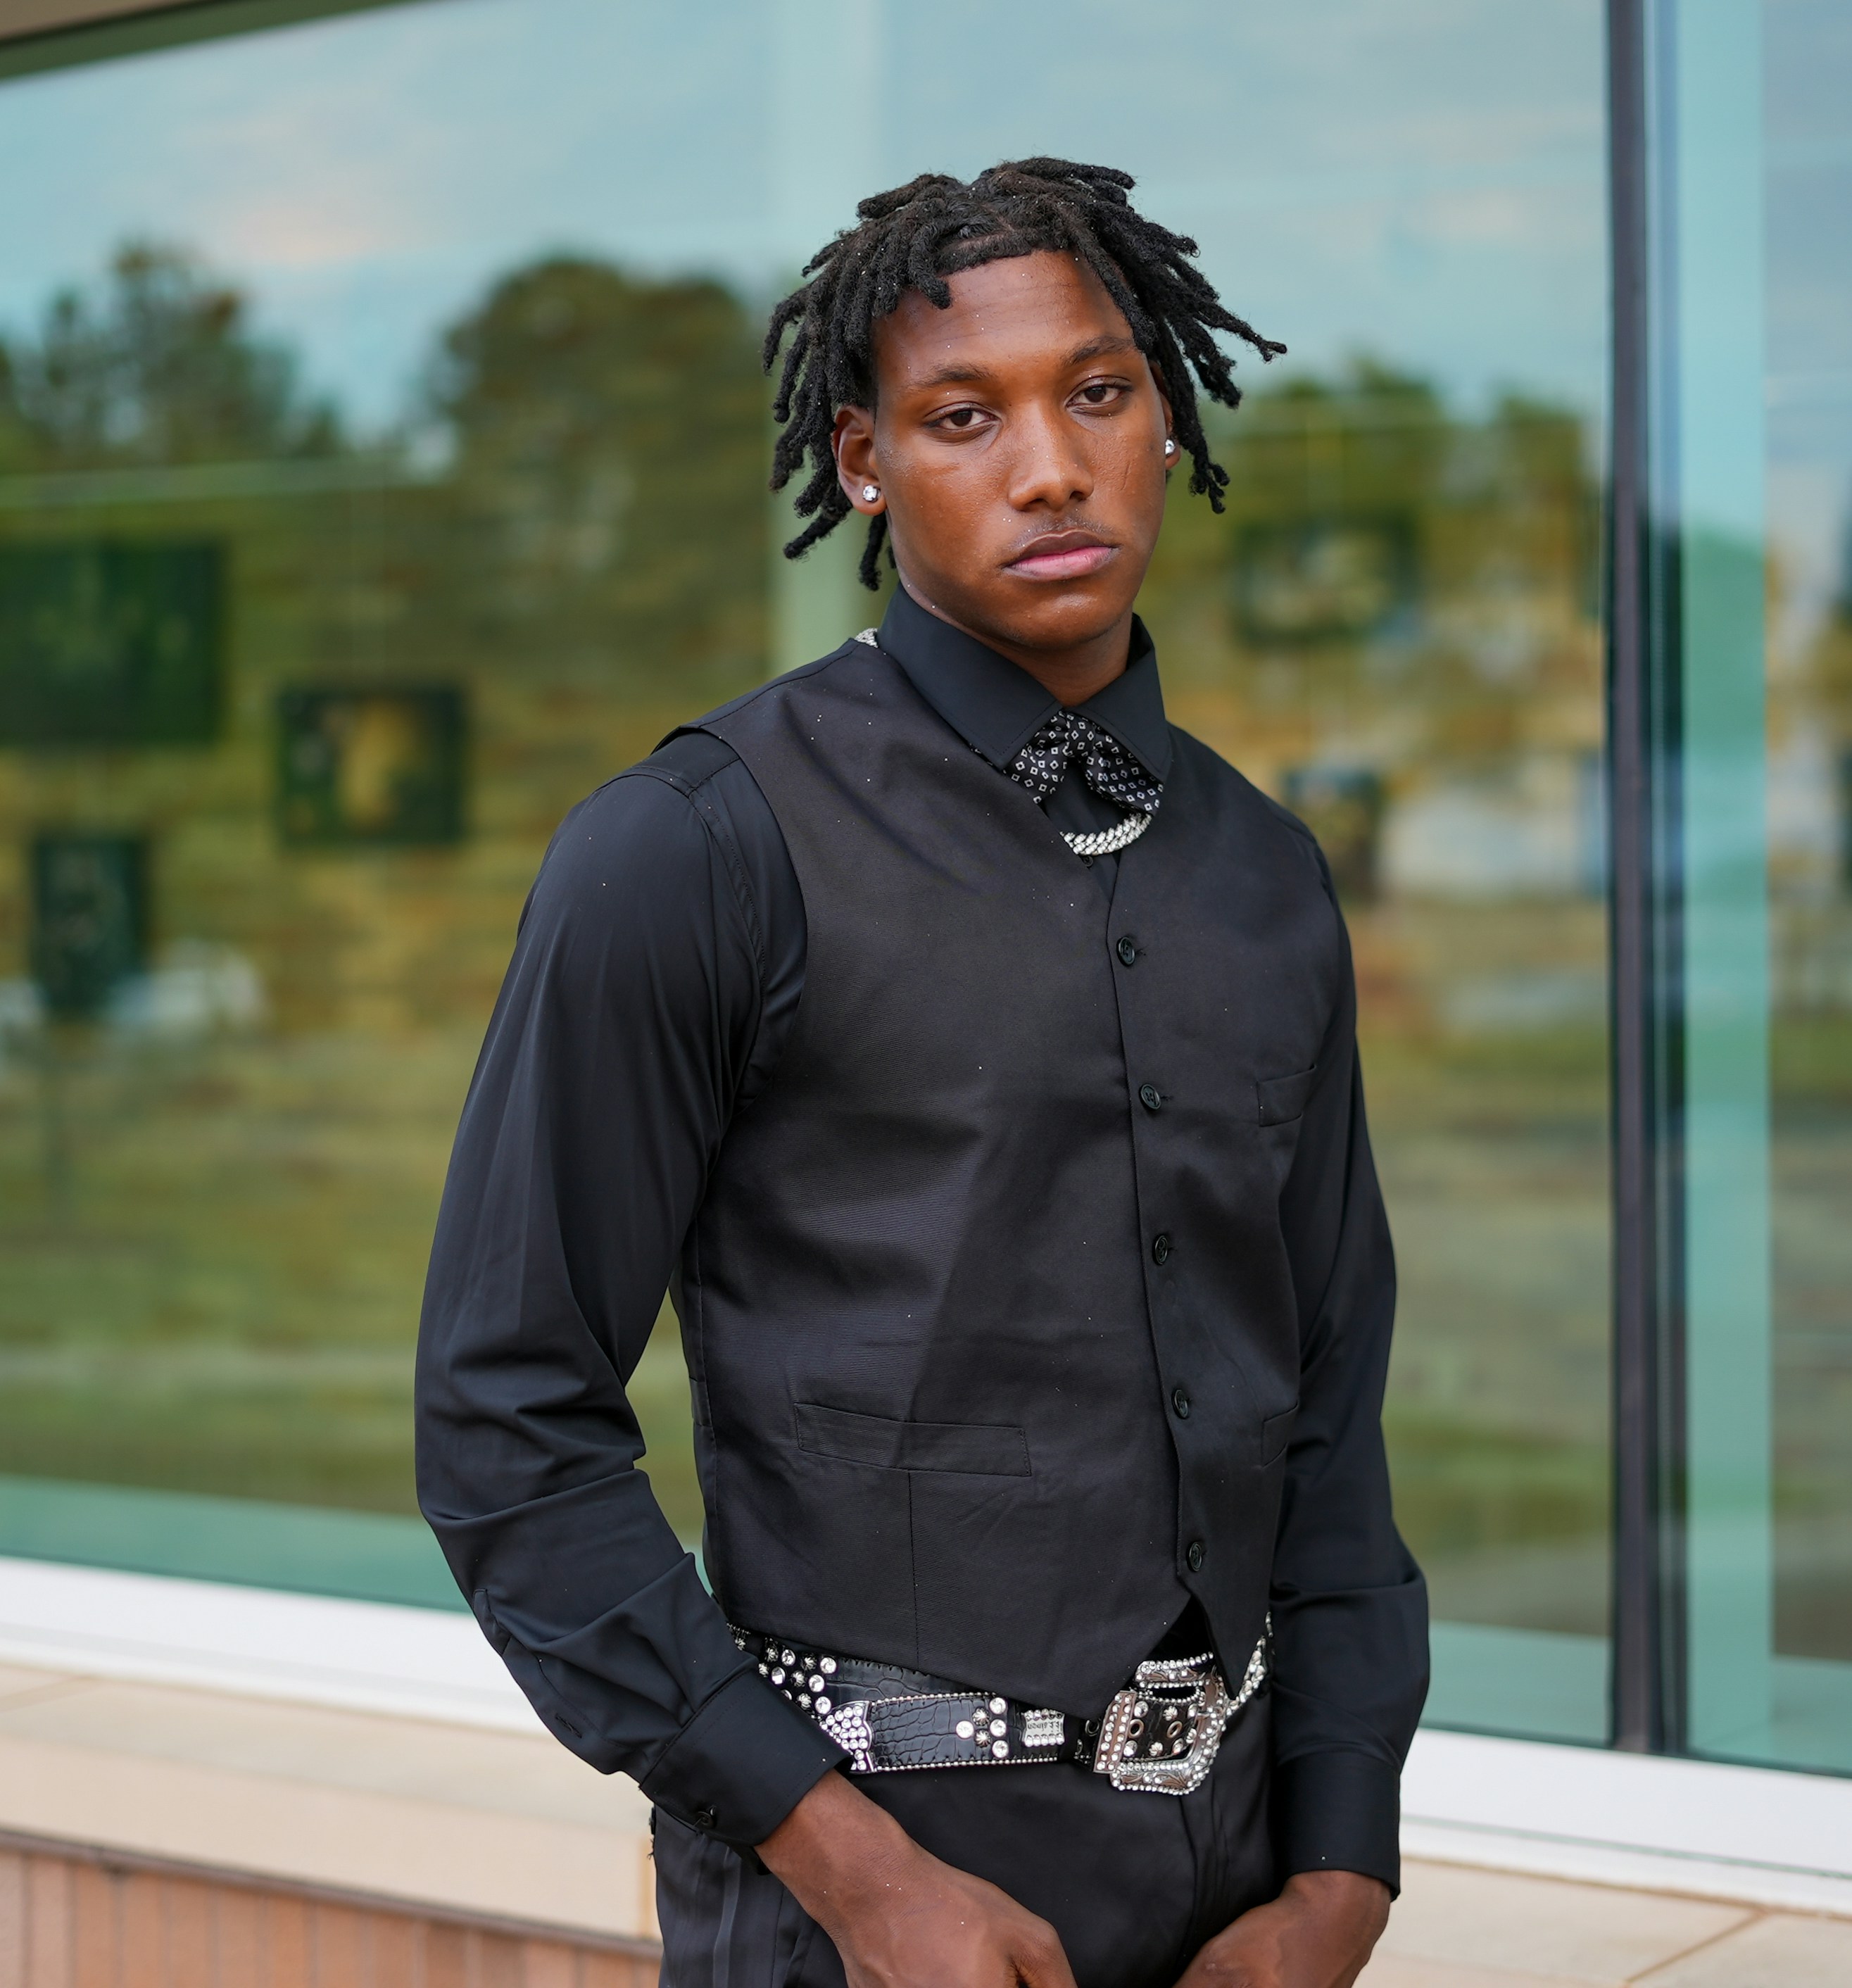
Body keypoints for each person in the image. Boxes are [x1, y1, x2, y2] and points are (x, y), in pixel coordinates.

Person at [416, 158, 1428, 1988]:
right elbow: (506, 1423)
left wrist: (1340, 1878)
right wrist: (855, 1871)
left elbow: (1330, 1417)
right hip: (863, 1923)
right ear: (866, 461)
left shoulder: (1272, 881)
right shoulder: (693, 850)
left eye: (1099, 391)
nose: (1052, 466)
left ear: (1165, 412)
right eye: (966, 416)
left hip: (1242, 1913)